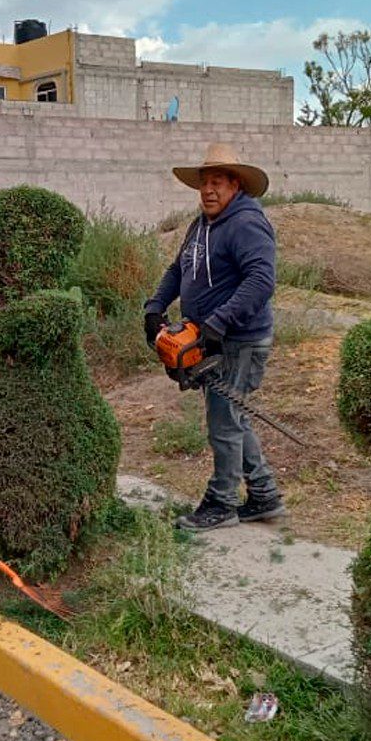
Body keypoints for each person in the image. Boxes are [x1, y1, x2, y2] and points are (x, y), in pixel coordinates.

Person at [143, 143, 286, 531]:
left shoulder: (246, 223)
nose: (208, 190)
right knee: (233, 416)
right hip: (212, 338)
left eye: (217, 182)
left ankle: (221, 503)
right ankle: (263, 495)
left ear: (235, 185)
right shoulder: (201, 224)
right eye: (204, 183)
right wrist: (155, 307)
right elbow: (179, 269)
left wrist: (217, 322)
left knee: (224, 422)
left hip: (240, 339)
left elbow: (261, 281)